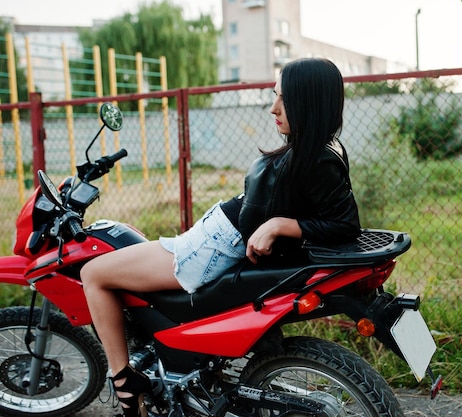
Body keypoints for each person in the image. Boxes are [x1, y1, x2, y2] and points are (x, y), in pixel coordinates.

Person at [80, 57, 361, 417]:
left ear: (308, 103)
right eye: (274, 96)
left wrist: (279, 225)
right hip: (211, 241)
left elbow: (345, 225)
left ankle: (125, 385)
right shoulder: (311, 151)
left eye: (283, 100)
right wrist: (278, 222)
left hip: (208, 250)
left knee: (93, 273)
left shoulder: (317, 159)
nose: (272, 108)